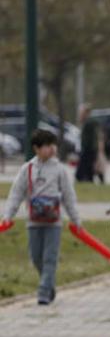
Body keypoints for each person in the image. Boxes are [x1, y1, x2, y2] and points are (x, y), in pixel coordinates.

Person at [1, 129, 82, 305]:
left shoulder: (60, 170)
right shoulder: (28, 169)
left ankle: (44, 292)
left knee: (49, 258)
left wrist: (76, 219)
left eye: (53, 145)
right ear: (37, 148)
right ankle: (49, 285)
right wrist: (8, 215)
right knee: (36, 257)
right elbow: (16, 193)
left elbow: (68, 196)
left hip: (54, 223)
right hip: (33, 222)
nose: (52, 149)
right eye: (47, 145)